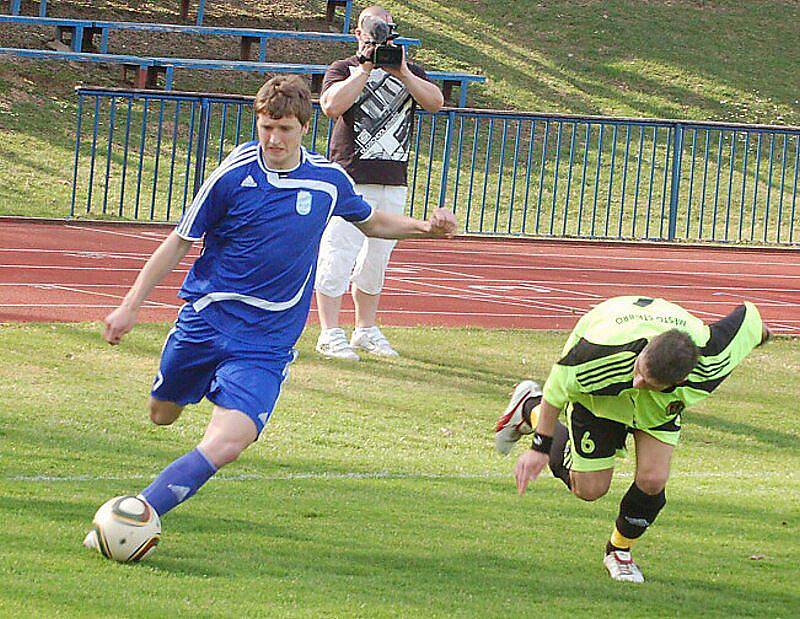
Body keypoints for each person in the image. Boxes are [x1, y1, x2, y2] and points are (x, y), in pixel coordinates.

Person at [83, 75, 456, 546]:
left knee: (229, 442)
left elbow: (372, 219)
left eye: (284, 129)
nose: (274, 139)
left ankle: (140, 511)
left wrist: (425, 226)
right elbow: (179, 240)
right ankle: (185, 398)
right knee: (162, 413)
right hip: (206, 320)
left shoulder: (327, 181)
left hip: (266, 342)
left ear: (304, 127)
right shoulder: (234, 174)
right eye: (265, 128)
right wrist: (129, 306)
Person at [494, 296, 770, 583]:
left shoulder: (712, 360)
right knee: (589, 489)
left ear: (680, 380)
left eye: (648, 382)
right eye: (640, 370)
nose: (638, 381)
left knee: (653, 481)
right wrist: (540, 446)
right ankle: (529, 405)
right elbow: (557, 387)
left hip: (657, 408)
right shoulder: (598, 357)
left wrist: (760, 334)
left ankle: (619, 551)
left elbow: (749, 318)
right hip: (599, 397)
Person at [314, 4, 444, 360]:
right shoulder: (343, 68)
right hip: (351, 175)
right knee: (339, 252)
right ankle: (329, 331)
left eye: (387, 30)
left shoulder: (408, 71)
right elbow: (330, 106)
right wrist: (365, 68)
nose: (381, 36)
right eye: (375, 31)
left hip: (392, 177)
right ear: (359, 34)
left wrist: (401, 70)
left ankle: (365, 329)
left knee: (377, 259)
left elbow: (435, 102)